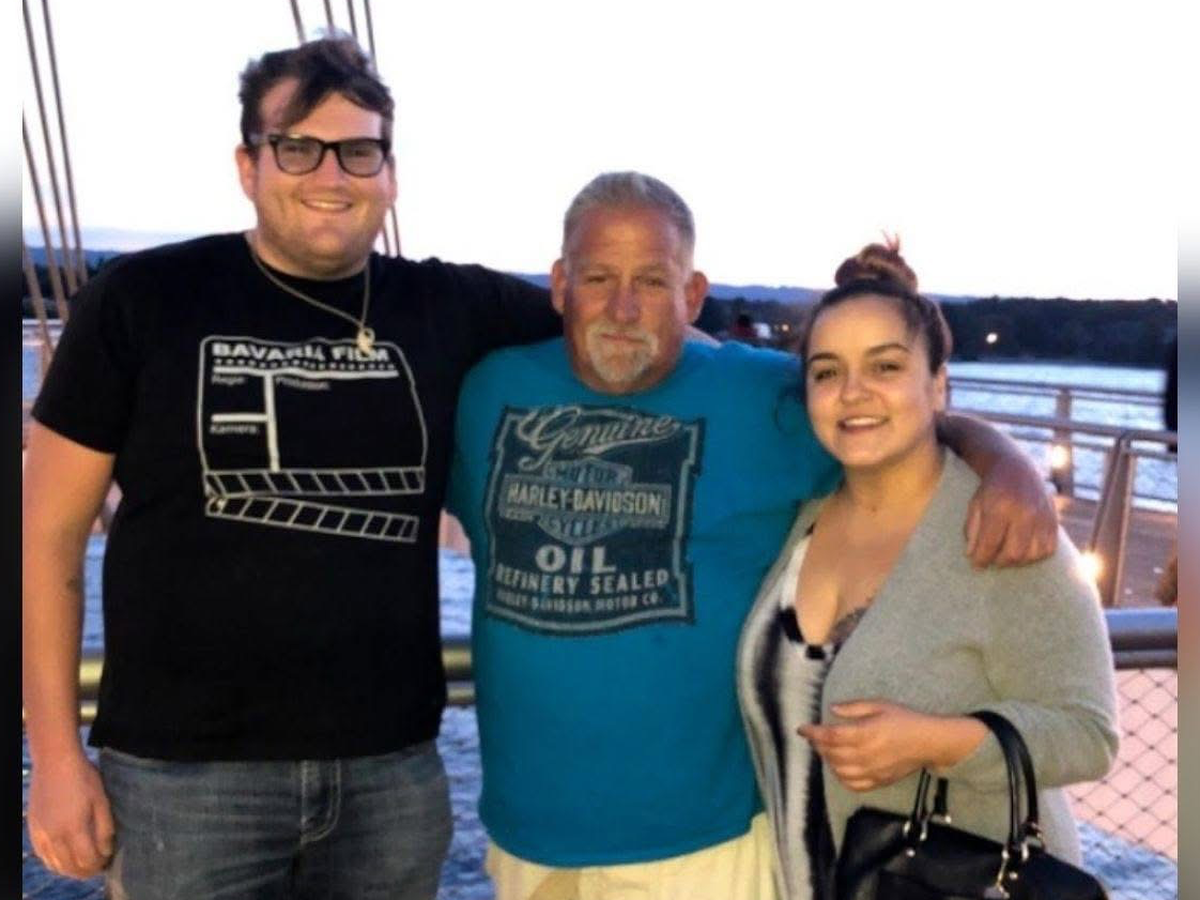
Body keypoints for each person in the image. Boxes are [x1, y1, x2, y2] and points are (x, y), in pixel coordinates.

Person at [22, 37, 562, 898]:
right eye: (298, 147)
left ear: (390, 174)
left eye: (359, 151)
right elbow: (45, 537)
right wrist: (54, 758)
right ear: (249, 165)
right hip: (183, 785)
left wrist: (778, 381)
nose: (332, 175)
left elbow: (622, 326)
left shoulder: (450, 306)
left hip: (389, 774)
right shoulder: (141, 300)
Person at [448, 172, 1059, 900]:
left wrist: (1007, 464)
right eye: (598, 278)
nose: (623, 307)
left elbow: (898, 423)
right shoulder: (487, 391)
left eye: (652, 281)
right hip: (528, 839)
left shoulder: (765, 397)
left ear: (693, 293)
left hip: (706, 849)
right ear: (559, 285)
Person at [737, 240, 1119, 900]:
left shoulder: (1002, 532)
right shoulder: (800, 517)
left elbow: (1090, 735)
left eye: (885, 366)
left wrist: (940, 743)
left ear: (938, 384)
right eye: (827, 372)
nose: (852, 392)